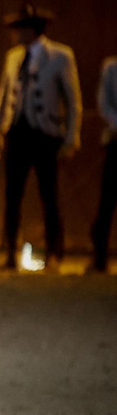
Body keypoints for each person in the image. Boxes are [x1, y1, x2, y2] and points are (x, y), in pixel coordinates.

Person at [0, 3, 82, 272]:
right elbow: (3, 98)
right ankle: (10, 253)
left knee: (49, 196)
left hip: (45, 134)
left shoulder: (60, 56)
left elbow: (73, 101)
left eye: (20, 29)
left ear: (32, 30)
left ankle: (54, 255)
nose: (15, 35)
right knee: (12, 195)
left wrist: (71, 138)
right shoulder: (13, 57)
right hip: (18, 132)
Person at [90, 55, 117, 274]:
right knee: (107, 201)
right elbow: (103, 102)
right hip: (115, 140)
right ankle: (99, 257)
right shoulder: (111, 67)